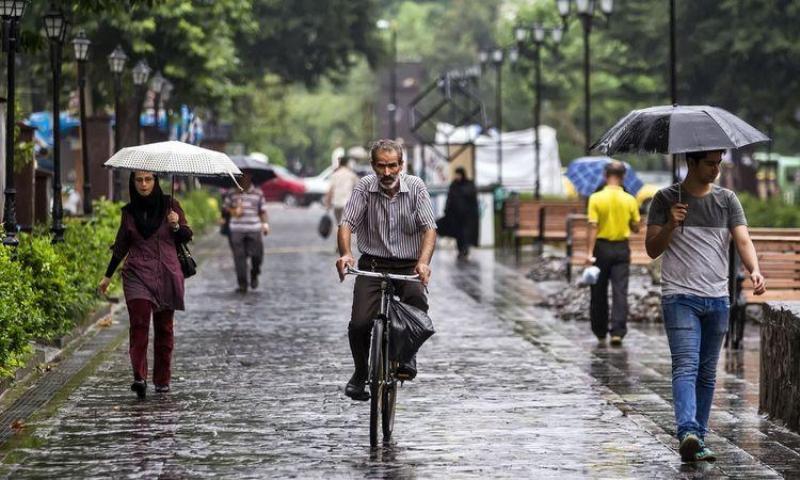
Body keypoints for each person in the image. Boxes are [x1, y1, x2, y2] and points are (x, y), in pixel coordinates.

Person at [645, 149, 766, 463]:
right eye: (710, 163)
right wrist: (671, 223)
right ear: (691, 162)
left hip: (718, 299)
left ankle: (696, 438)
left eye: (719, 163)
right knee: (686, 366)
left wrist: (754, 268)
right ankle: (686, 430)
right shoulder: (664, 199)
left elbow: (742, 240)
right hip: (679, 298)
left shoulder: (727, 200)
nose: (716, 169)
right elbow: (651, 249)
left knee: (708, 373)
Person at [335, 139, 437, 401]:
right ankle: (360, 373)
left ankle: (407, 356)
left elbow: (429, 228)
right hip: (373, 264)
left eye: (393, 166)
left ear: (401, 165)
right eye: (381, 166)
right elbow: (346, 223)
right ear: (373, 166)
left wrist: (423, 262)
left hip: (408, 265)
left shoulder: (415, 187)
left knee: (416, 306)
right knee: (359, 323)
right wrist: (346, 254)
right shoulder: (364, 188)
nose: (387, 172)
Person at [98, 171, 193, 399]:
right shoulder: (129, 212)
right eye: (139, 180)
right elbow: (121, 244)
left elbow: (187, 236)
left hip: (166, 273)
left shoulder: (171, 205)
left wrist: (176, 225)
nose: (143, 184)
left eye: (148, 179)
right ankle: (139, 377)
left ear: (155, 181)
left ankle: (162, 380)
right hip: (137, 274)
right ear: (133, 182)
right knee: (139, 325)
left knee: (164, 329)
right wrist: (108, 276)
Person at [585, 161, 641, 346]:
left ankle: (600, 330)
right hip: (621, 248)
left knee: (598, 290)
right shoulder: (630, 199)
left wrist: (588, 253)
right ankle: (617, 331)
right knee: (620, 291)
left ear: (605, 175)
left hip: (601, 248)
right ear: (623, 177)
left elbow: (593, 227)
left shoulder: (595, 198)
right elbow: (635, 227)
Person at [223, 171, 270, 293]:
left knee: (257, 255)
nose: (244, 178)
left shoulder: (258, 193)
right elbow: (225, 209)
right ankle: (242, 284)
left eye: (246, 175)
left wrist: (265, 224)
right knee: (239, 258)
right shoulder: (232, 192)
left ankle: (254, 274)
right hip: (236, 229)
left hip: (254, 228)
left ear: (251, 177)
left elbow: (263, 211)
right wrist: (234, 211)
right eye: (241, 175)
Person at [442, 167, 479, 260]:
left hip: (467, 216)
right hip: (456, 216)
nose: (457, 176)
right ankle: (460, 250)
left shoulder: (469, 184)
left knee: (466, 234)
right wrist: (446, 210)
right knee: (458, 234)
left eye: (458, 174)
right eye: (456, 174)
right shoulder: (454, 185)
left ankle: (465, 250)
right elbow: (449, 198)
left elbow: (472, 198)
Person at [324, 156, 360, 224]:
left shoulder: (335, 174)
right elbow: (359, 188)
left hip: (336, 203)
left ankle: (341, 233)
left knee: (339, 224)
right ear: (347, 163)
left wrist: (327, 205)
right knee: (346, 224)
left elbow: (330, 191)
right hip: (347, 204)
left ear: (339, 163)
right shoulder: (351, 174)